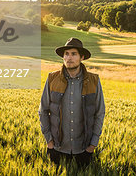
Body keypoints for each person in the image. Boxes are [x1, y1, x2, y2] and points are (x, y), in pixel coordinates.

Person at [38, 37, 105, 167]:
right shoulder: (52, 79)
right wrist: (49, 142)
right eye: (66, 54)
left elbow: (99, 112)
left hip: (84, 150)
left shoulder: (94, 81)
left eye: (74, 54)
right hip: (57, 148)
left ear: (82, 57)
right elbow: (43, 110)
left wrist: (92, 146)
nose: (69, 58)